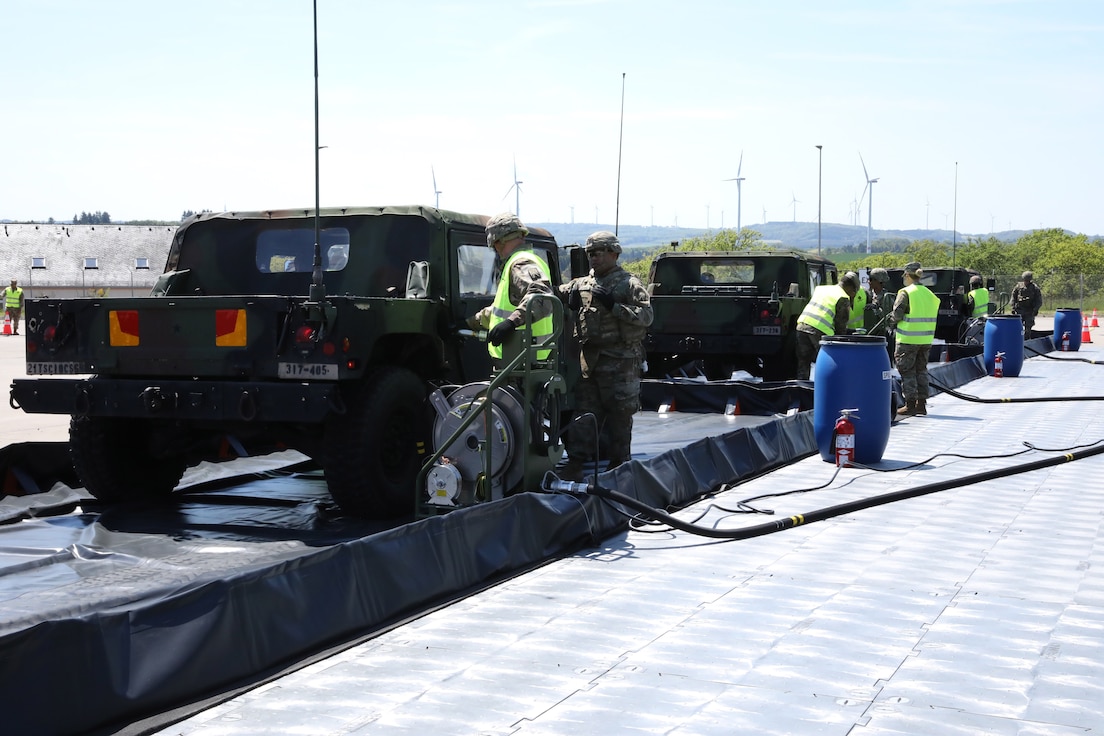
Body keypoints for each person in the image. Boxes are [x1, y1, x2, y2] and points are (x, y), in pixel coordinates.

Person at [558, 231, 653, 479]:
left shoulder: (629, 284)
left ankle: (620, 463)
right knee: (584, 415)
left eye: (599, 253)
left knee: (620, 414)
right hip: (590, 362)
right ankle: (577, 462)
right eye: (590, 253)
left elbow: (646, 317)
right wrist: (564, 298)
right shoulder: (582, 284)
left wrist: (615, 306)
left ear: (614, 253)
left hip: (620, 362)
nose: (594, 258)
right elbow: (555, 293)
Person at [466, 213, 554, 364]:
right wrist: (471, 322)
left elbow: (542, 299)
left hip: (520, 359)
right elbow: (500, 312)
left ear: (498, 241)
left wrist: (511, 323)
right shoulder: (523, 261)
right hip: (520, 356)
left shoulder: (520, 263)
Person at [889, 261, 939, 416]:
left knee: (907, 372)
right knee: (921, 371)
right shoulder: (930, 294)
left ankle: (910, 405)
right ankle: (921, 405)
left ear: (907, 275)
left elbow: (896, 316)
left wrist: (888, 320)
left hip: (907, 340)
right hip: (925, 341)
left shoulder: (905, 292)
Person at [794, 272, 859, 380]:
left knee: (803, 364)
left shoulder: (822, 289)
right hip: (819, 330)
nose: (853, 295)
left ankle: (802, 393)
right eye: (854, 291)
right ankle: (825, 390)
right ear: (850, 287)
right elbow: (840, 327)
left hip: (802, 325)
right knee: (827, 363)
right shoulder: (842, 297)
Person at [1010, 270, 1042, 336]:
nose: (1026, 282)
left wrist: (1035, 309)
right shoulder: (1018, 286)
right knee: (1017, 328)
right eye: (1025, 280)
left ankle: (1027, 341)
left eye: (1027, 280)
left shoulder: (1035, 288)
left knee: (1028, 329)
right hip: (1019, 310)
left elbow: (1039, 300)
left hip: (1029, 311)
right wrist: (1013, 308)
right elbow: (1013, 297)